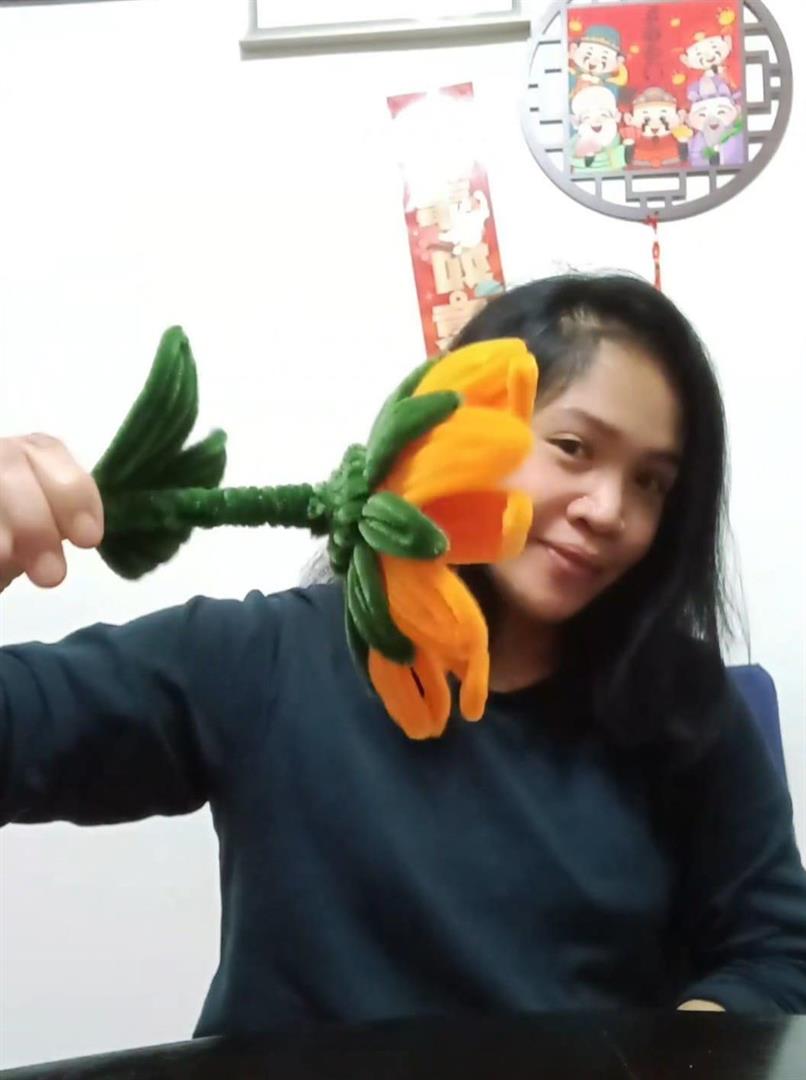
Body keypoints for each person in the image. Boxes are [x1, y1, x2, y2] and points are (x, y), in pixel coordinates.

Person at [1, 274, 805, 1041]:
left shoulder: (684, 705)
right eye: (571, 447)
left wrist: (682, 1051)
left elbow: (777, 951)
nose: (609, 509)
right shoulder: (260, 660)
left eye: (652, 483)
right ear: (453, 425)